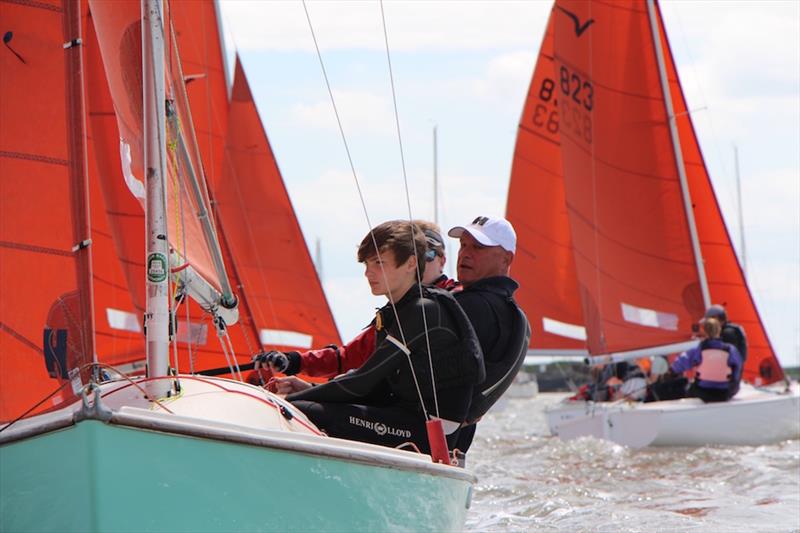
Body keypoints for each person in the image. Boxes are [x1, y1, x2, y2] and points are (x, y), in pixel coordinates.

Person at [267, 220, 485, 454]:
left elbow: (363, 381)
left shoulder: (424, 311)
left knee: (302, 410)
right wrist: (308, 387)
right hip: (405, 416)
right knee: (306, 406)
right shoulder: (395, 312)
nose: (368, 273)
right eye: (367, 264)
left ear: (411, 263)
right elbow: (374, 386)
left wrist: (291, 398)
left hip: (432, 433)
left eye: (379, 263)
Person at [250, 222, 456, 381]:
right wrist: (291, 361)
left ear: (442, 261)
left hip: (423, 424)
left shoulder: (454, 303)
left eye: (427, 254)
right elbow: (346, 359)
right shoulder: (393, 312)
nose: (368, 273)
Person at [446, 216, 530, 453]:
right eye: (463, 245)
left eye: (479, 247)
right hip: (452, 448)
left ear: (507, 259)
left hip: (418, 438)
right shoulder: (514, 314)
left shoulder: (469, 306)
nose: (465, 253)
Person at [670, 316, 743, 402]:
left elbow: (679, 365)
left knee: (683, 388)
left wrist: (671, 371)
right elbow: (738, 367)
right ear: (719, 330)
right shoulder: (730, 350)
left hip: (702, 391)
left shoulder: (699, 349)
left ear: (704, 331)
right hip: (724, 393)